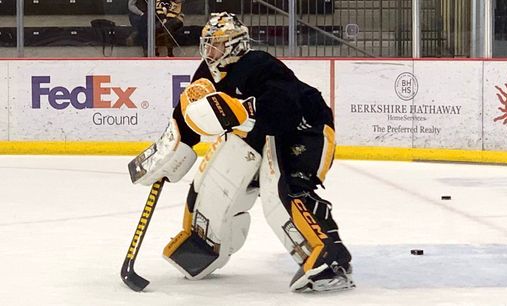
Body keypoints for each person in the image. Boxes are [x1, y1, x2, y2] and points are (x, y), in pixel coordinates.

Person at [131, 12, 354, 293]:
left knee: (284, 188)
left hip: (305, 129)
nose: (209, 50)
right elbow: (188, 116)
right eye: (207, 44)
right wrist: (169, 152)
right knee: (214, 178)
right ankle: (203, 244)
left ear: (234, 45)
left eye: (216, 44)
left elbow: (285, 108)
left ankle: (330, 258)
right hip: (257, 134)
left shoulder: (259, 65)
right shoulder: (206, 73)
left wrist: (244, 110)